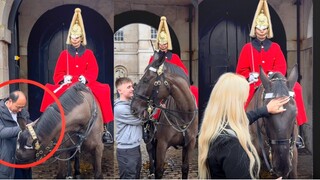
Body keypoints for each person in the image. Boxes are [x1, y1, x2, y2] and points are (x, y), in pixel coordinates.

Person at [236, 0, 307, 147]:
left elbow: (281, 66)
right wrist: (249, 75)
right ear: (255, 29)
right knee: (240, 97)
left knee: (297, 88)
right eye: (259, 28)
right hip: (254, 83)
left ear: (268, 30)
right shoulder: (247, 48)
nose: (261, 31)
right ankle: (240, 130)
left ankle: (298, 132)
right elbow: (241, 70)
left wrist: (272, 75)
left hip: (273, 83)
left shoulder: (275, 47)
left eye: (264, 29)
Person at [39, 8, 114, 144]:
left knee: (104, 90)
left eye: (77, 38)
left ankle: (105, 128)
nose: (75, 40)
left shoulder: (89, 53)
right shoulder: (64, 54)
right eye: (73, 38)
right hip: (69, 83)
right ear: (70, 38)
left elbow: (93, 71)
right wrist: (63, 78)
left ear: (81, 38)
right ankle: (49, 128)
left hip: (85, 82)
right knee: (49, 91)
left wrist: (86, 78)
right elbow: (58, 73)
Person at [198, 73, 261, 179]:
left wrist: (265, 110)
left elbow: (243, 119)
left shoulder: (214, 130)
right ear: (234, 104)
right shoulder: (231, 145)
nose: (244, 105)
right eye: (242, 102)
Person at [149, 16, 198, 106]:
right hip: (159, 87)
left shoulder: (174, 57)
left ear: (168, 44)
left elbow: (184, 73)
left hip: (173, 86)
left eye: (165, 44)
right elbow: (149, 75)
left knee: (194, 90)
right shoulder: (153, 58)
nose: (163, 46)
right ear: (158, 44)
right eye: (161, 44)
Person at [0, 91, 32, 179]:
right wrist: (24, 128)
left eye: (22, 107)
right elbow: (2, 132)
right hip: (6, 159)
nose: (20, 110)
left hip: (22, 157)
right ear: (10, 101)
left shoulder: (22, 112)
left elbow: (30, 124)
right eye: (18, 107)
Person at [114, 77, 142, 179]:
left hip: (135, 148)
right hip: (127, 151)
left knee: (136, 176)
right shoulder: (120, 108)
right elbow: (140, 120)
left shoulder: (130, 104)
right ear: (120, 90)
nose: (132, 89)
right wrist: (156, 110)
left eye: (132, 86)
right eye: (128, 87)